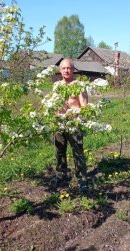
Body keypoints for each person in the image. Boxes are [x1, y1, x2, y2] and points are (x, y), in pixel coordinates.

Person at [53, 58, 88, 194]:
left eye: (69, 68)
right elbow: (54, 104)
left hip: (74, 124)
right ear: (60, 70)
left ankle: (82, 180)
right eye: (64, 68)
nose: (67, 70)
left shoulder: (79, 85)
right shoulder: (57, 86)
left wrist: (78, 120)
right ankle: (61, 176)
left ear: (73, 70)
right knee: (59, 151)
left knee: (78, 152)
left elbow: (84, 106)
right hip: (59, 124)